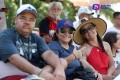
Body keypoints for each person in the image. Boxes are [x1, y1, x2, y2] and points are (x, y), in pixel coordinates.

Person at [0, 4, 66, 80]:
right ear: (15, 19)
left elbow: (48, 54)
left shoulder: (37, 38)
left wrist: (59, 67)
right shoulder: (6, 35)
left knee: (62, 62)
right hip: (10, 75)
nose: (27, 22)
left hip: (32, 76)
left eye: (31, 19)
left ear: (34, 22)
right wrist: (40, 73)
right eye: (23, 18)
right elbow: (14, 58)